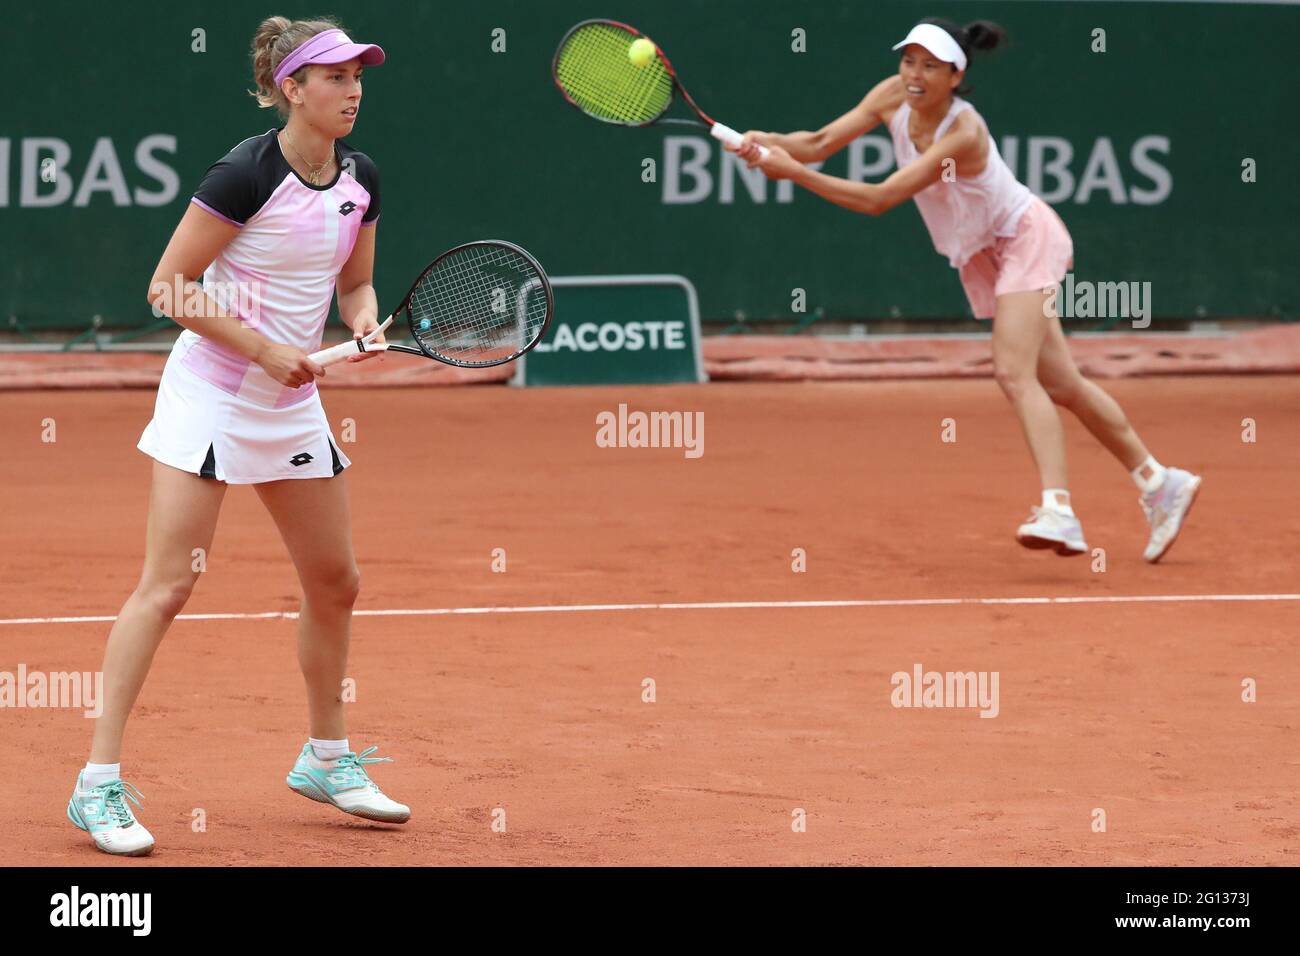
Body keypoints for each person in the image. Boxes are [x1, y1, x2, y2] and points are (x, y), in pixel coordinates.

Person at [66, 16, 409, 857]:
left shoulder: (360, 178)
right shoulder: (246, 173)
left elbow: (356, 285)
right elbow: (169, 288)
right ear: (292, 88)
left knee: (337, 581)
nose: (353, 90)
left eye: (359, 76)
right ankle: (96, 786)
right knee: (168, 586)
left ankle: (327, 758)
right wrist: (262, 349)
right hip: (216, 394)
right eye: (335, 78)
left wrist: (363, 325)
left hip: (289, 402)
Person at [733, 18, 1201, 561]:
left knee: (1012, 370)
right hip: (982, 254)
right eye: (908, 60)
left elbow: (879, 198)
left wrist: (792, 174)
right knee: (1065, 385)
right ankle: (1159, 483)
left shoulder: (964, 132)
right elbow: (815, 143)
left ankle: (1060, 511)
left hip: (1026, 239)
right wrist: (765, 143)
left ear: (955, 75)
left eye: (930, 65)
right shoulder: (891, 95)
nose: (914, 74)